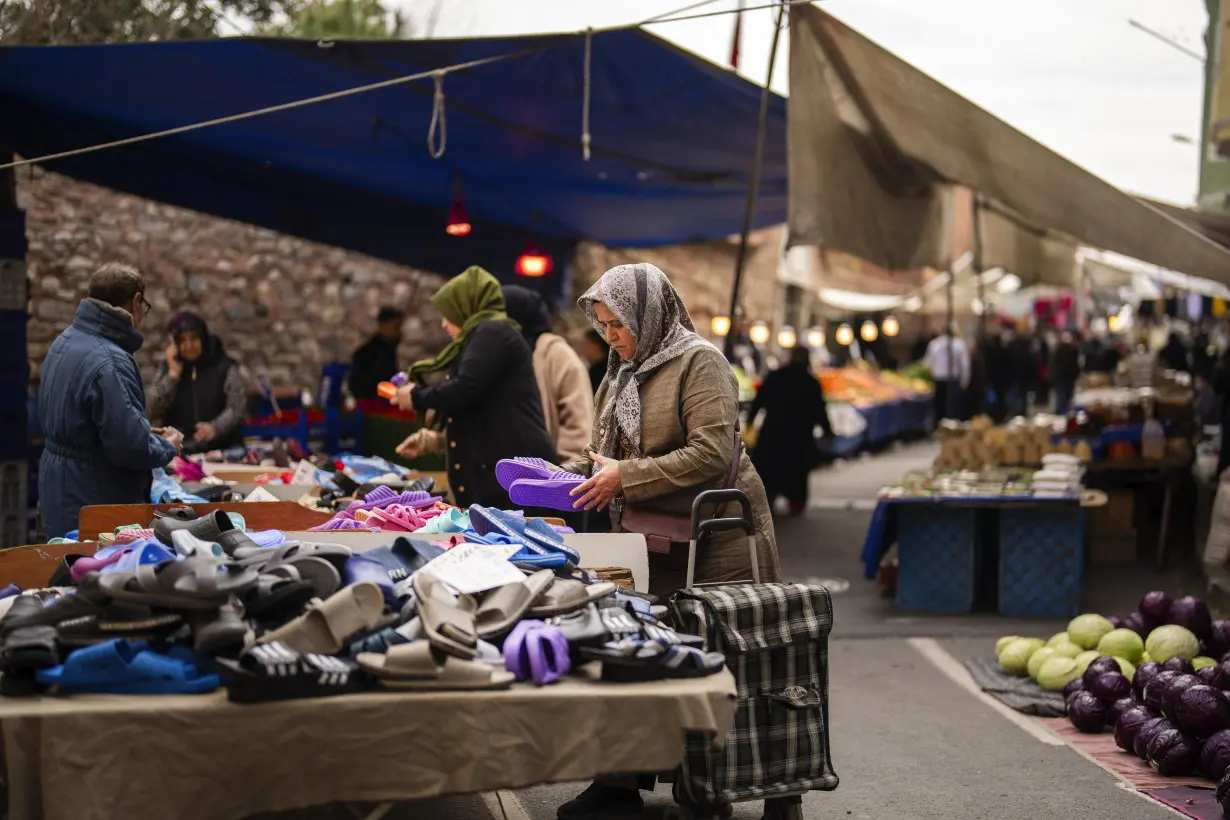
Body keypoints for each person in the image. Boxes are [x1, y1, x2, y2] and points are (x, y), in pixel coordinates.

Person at [555, 262, 780, 820]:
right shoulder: (620, 369)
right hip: (644, 536)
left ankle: (709, 785)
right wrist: (567, 474)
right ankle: (616, 783)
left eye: (618, 324)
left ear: (647, 315)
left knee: (714, 656)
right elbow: (607, 449)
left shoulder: (700, 363)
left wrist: (624, 478)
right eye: (603, 325)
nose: (610, 336)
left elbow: (709, 453)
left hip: (717, 537)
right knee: (632, 645)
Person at [391, 267, 556, 508]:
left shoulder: (493, 331)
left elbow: (466, 388)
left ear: (465, 307)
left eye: (449, 314)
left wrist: (416, 397)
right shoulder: (485, 336)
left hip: (514, 484)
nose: (444, 324)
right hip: (504, 482)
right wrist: (433, 439)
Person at [38, 263, 183, 539]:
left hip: (58, 488)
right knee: (97, 571)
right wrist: (167, 446)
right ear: (137, 301)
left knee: (66, 566)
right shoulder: (111, 360)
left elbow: (79, 420)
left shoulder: (63, 342)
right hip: (95, 493)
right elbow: (129, 447)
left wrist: (141, 428)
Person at [502, 285, 595, 462]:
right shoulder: (502, 355)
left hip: (549, 477)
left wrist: (563, 473)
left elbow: (578, 423)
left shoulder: (556, 356)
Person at [147, 312, 247, 455]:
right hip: (182, 451)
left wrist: (215, 428)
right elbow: (152, 409)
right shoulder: (169, 369)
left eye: (193, 338)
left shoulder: (223, 366)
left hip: (223, 449)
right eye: (182, 340)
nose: (189, 345)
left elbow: (236, 406)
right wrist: (172, 376)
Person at [749, 345, 833, 515]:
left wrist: (750, 422)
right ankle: (795, 504)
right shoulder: (811, 382)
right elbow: (819, 410)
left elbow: (758, 401)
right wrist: (828, 430)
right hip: (799, 437)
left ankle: (768, 502)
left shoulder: (775, 376)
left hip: (773, 434)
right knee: (797, 474)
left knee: (769, 472)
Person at [348, 307, 404, 400]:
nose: (398, 331)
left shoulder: (389, 348)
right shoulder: (369, 352)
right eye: (396, 326)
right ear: (383, 325)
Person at [924, 325, 970, 422]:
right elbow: (965, 364)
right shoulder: (959, 344)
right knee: (953, 407)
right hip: (953, 380)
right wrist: (965, 380)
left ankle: (939, 425)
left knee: (940, 406)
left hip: (938, 379)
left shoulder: (934, 344)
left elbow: (928, 363)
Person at [1049, 331, 1081, 415]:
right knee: (1063, 399)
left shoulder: (1061, 351)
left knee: (1062, 398)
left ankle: (1061, 414)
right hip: (1063, 378)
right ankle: (1061, 414)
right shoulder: (1069, 351)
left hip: (1062, 378)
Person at [580, 328, 608, 394]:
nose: (583, 350)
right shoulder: (612, 365)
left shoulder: (597, 372)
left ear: (596, 346)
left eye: (586, 345)